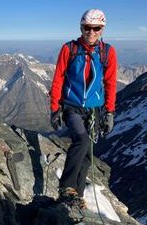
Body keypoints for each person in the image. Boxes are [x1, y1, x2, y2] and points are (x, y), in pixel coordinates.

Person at [49, 9, 117, 215]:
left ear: (102, 29)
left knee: (87, 156)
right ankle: (66, 187)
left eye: (96, 28)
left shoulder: (108, 52)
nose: (91, 32)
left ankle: (76, 196)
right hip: (72, 106)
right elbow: (58, 78)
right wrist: (54, 108)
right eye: (87, 28)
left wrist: (110, 112)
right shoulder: (70, 49)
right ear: (81, 27)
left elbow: (110, 82)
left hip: (95, 110)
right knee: (82, 140)